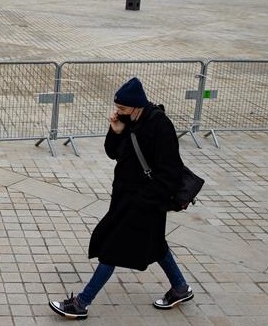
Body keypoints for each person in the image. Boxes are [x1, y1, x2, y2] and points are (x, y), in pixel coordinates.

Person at [49, 77, 194, 320]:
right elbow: (112, 153)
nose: (119, 112)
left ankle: (81, 303)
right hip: (125, 198)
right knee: (157, 245)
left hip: (146, 203)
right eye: (117, 108)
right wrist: (116, 133)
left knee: (112, 250)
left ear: (138, 105)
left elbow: (170, 172)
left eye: (123, 109)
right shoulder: (128, 120)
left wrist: (144, 201)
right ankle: (180, 288)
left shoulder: (160, 126)